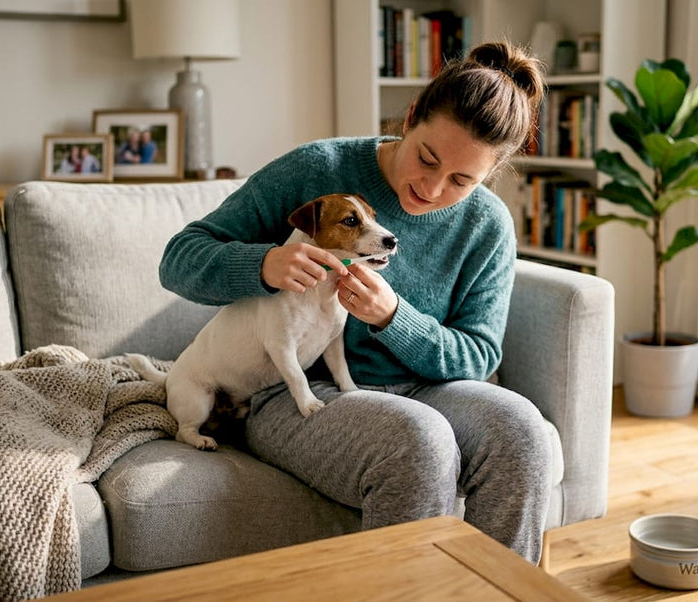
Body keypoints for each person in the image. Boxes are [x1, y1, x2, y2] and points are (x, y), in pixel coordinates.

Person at [157, 41, 551, 563]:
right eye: (426, 158)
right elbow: (178, 260)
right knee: (419, 442)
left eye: (461, 180)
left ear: (489, 177)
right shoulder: (317, 170)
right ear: (409, 119)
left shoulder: (487, 225)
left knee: (523, 434)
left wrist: (395, 318)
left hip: (429, 387)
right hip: (291, 387)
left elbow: (478, 356)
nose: (431, 189)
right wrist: (262, 264)